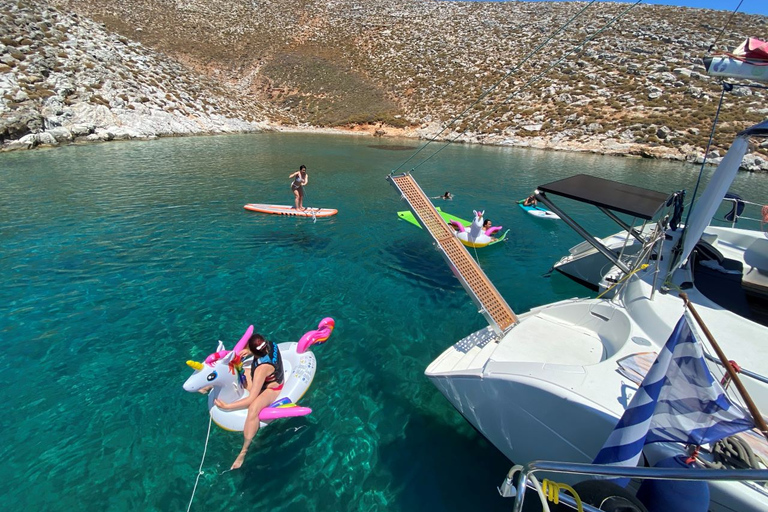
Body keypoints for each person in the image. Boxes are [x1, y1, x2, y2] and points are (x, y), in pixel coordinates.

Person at [214, 332, 285, 470]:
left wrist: (228, 406)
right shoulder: (269, 344)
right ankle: (208, 385)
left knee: (253, 409)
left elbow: (251, 398)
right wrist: (247, 351)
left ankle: (244, 451)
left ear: (255, 352)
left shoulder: (261, 369)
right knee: (234, 369)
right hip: (268, 375)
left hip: (273, 387)